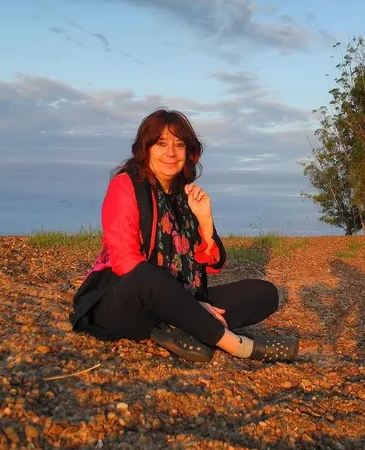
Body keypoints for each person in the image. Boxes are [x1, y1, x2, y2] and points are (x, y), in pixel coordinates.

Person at [69, 108, 298, 363]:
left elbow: (214, 264)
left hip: (181, 298)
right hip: (125, 301)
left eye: (179, 144)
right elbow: (126, 261)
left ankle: (179, 328)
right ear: (146, 149)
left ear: (189, 152)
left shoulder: (186, 195)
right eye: (161, 143)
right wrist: (187, 305)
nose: (171, 153)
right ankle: (237, 345)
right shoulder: (126, 185)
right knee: (145, 275)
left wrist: (205, 219)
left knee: (263, 293)